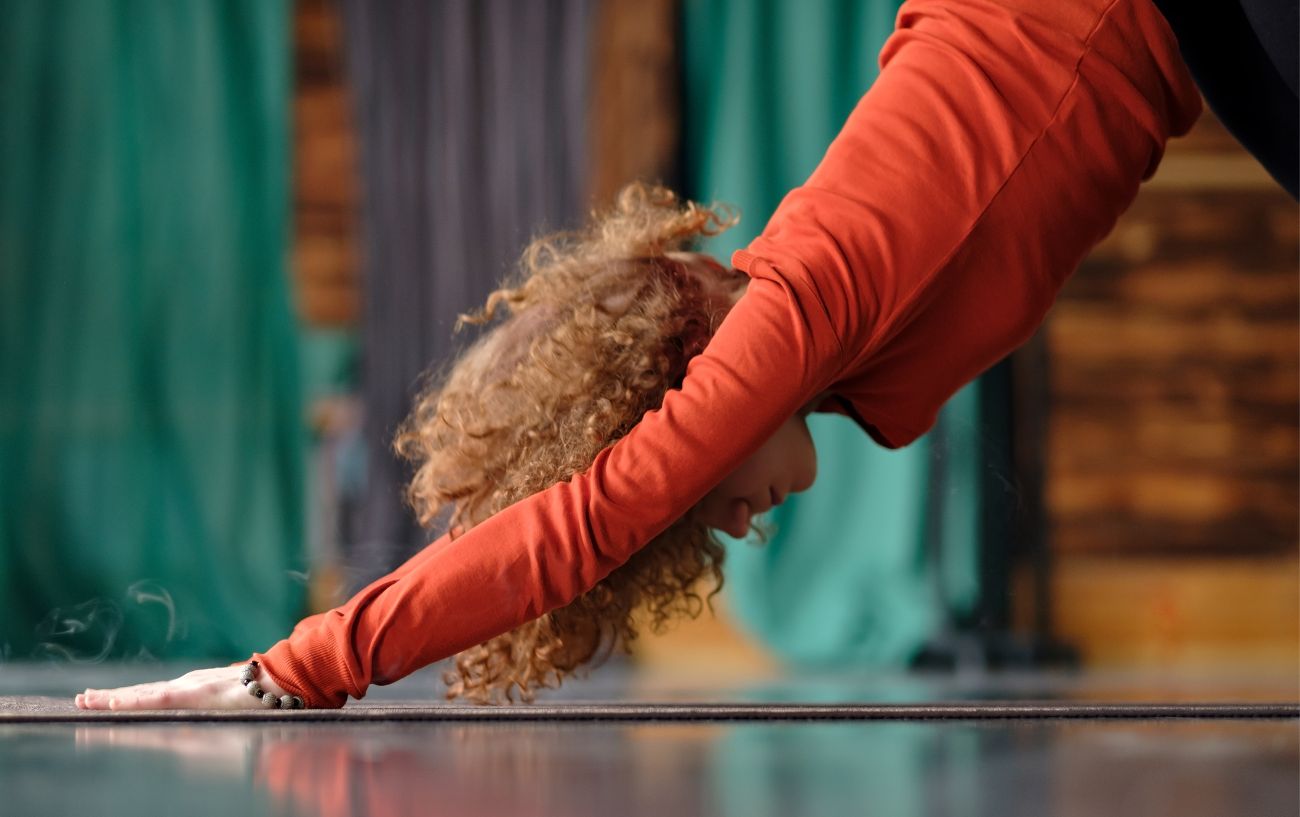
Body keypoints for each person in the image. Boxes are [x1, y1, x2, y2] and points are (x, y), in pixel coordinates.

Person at [77, 0, 1204, 711]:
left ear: (681, 379)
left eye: (692, 491)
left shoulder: (794, 310)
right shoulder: (832, 335)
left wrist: (294, 666)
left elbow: (588, 517)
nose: (723, 519)